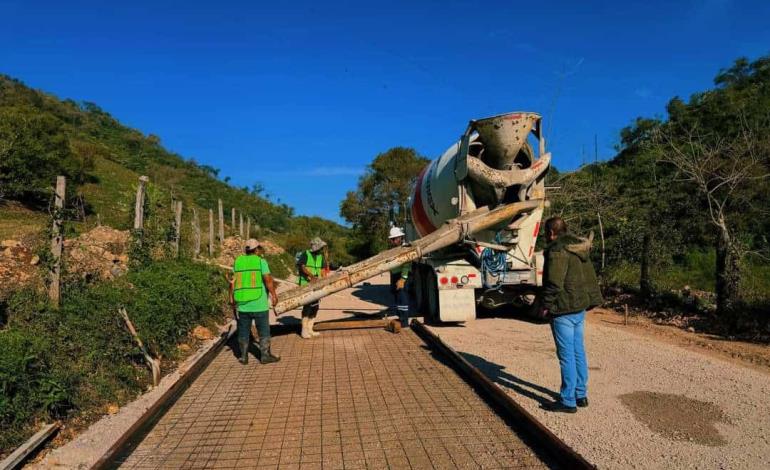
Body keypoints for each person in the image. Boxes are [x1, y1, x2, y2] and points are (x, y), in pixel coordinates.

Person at [540, 216, 602, 413]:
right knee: (578, 351)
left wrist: (545, 305)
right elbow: (590, 278)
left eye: (545, 234)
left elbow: (554, 283)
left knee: (566, 356)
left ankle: (567, 401)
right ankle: (580, 394)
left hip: (563, 308)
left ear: (551, 233)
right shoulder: (579, 247)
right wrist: (593, 300)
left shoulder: (557, 251)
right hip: (579, 307)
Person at [229, 239, 281, 365]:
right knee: (263, 331)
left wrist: (231, 298)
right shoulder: (260, 261)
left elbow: (232, 282)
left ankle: (243, 357)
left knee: (243, 331)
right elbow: (268, 280)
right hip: (259, 303)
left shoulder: (238, 262)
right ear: (256, 249)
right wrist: (274, 295)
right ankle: (265, 356)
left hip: (242, 304)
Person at [297, 237, 328, 339]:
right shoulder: (305, 254)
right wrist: (311, 276)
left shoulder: (320, 256)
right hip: (306, 284)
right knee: (307, 306)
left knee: (315, 306)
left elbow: (323, 270)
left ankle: (310, 328)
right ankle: (304, 330)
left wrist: (324, 280)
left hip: (317, 285)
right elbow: (302, 266)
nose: (321, 249)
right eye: (320, 247)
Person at [388, 227, 411, 327]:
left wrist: (403, 278)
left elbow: (407, 264)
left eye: (396, 238)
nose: (394, 241)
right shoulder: (394, 249)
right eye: (393, 239)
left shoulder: (404, 248)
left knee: (402, 299)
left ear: (400, 238)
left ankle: (404, 322)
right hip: (395, 275)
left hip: (402, 276)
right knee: (397, 298)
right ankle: (401, 318)